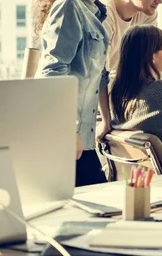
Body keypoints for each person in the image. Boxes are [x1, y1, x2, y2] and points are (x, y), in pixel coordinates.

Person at [34, 0, 111, 187]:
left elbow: (99, 75)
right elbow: (52, 73)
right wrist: (68, 131)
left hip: (84, 139)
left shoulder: (96, 12)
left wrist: (107, 121)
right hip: (64, 136)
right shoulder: (69, 5)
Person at [101, 0, 162, 90]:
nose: (160, 1)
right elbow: (100, 74)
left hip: (126, 87)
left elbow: (155, 60)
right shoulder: (104, 17)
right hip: (101, 90)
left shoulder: (147, 14)